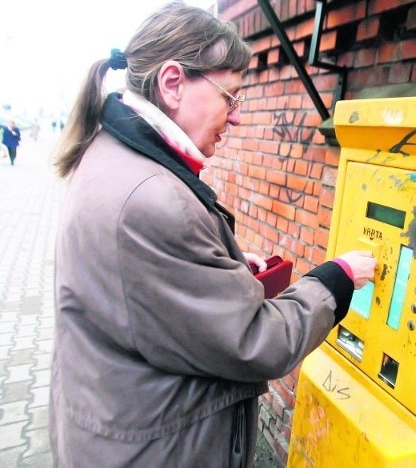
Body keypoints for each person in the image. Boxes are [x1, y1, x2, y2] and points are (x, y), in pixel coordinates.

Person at [50, 2, 376, 467]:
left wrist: (225, 266)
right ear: (172, 83)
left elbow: (140, 287)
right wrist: (335, 279)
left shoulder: (108, 153)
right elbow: (256, 343)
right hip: (156, 449)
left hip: (110, 420)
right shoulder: (153, 199)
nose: (237, 117)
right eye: (231, 98)